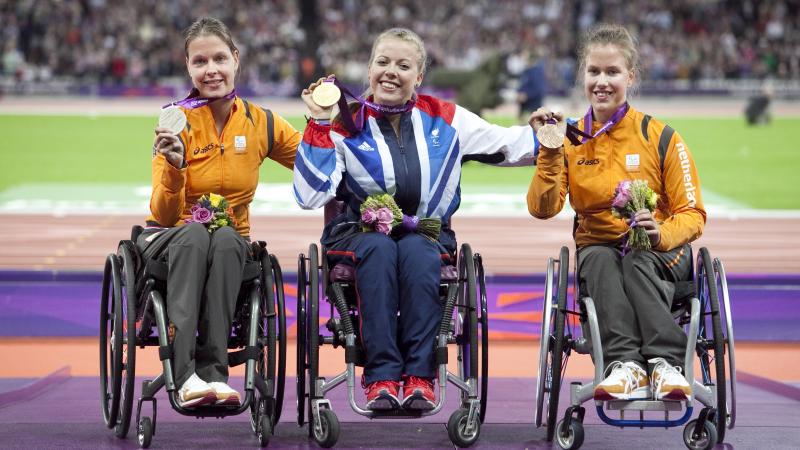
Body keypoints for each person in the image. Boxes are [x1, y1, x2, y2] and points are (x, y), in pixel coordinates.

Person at [293, 28, 538, 411]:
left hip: (425, 233)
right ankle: (381, 377)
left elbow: (510, 144)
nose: (391, 72)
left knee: (419, 253)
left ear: (418, 76)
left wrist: (560, 131)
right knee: (377, 249)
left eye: (403, 65)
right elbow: (310, 195)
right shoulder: (344, 123)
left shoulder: (446, 119)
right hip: (358, 235)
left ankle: (420, 377)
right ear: (369, 68)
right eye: (383, 62)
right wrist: (318, 125)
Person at [527, 24, 706, 402]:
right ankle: (623, 366)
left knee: (638, 261)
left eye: (612, 72)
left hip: (662, 252)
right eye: (594, 72)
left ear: (631, 76)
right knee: (600, 259)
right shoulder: (570, 138)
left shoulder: (660, 136)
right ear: (583, 76)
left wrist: (660, 232)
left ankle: (665, 364)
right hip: (600, 249)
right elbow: (543, 209)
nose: (602, 82)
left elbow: (693, 213)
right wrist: (549, 150)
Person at [138, 17, 301, 408]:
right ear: (188, 68)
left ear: (236, 60)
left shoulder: (261, 122)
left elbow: (315, 163)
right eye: (199, 62)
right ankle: (185, 374)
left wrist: (329, 122)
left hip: (231, 239)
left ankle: (215, 376)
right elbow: (161, 213)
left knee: (228, 238)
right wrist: (175, 169)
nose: (211, 70)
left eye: (219, 59)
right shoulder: (173, 122)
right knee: (196, 234)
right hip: (172, 237)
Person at [517, 49, 548, 123]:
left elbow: (538, 89)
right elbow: (522, 85)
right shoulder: (525, 71)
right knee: (522, 121)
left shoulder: (537, 71)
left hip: (534, 103)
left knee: (535, 124)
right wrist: (519, 93)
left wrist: (526, 95)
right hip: (525, 103)